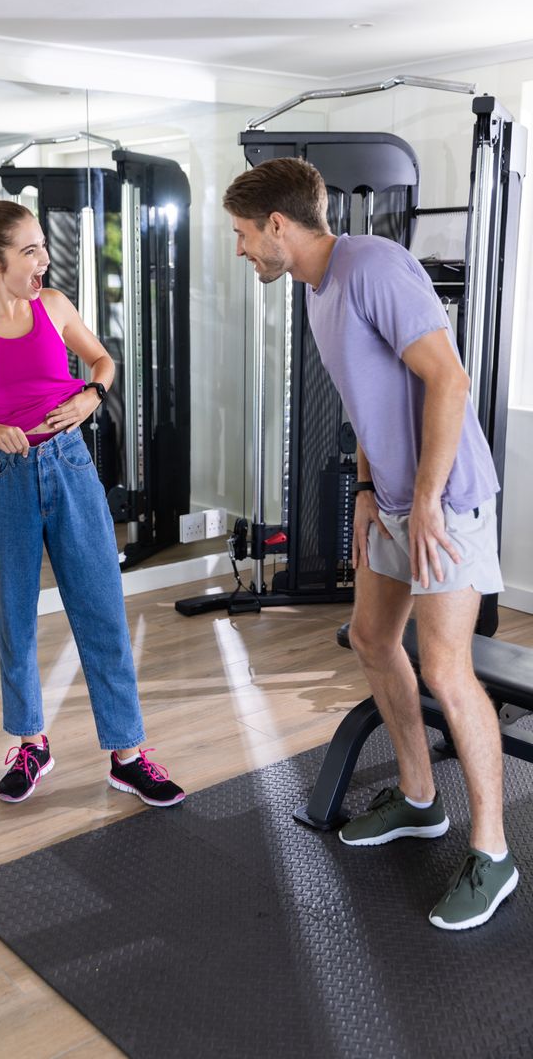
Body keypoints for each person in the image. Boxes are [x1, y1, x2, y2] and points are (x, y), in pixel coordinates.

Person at [223, 157, 517, 931]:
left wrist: (423, 503)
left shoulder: (374, 267)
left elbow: (447, 381)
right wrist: (364, 493)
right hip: (391, 503)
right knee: (371, 639)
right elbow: (371, 399)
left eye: (244, 236)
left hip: (444, 501)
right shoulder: (319, 291)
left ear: (279, 226)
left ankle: (493, 853)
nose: (243, 250)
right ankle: (420, 799)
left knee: (448, 668)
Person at [0, 191, 185, 809]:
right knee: (14, 621)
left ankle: (127, 754)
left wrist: (94, 392)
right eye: (30, 251)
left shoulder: (56, 305)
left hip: (68, 467)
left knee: (101, 611)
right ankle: (31, 745)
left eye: (41, 248)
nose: (43, 261)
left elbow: (102, 359)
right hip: (2, 478)